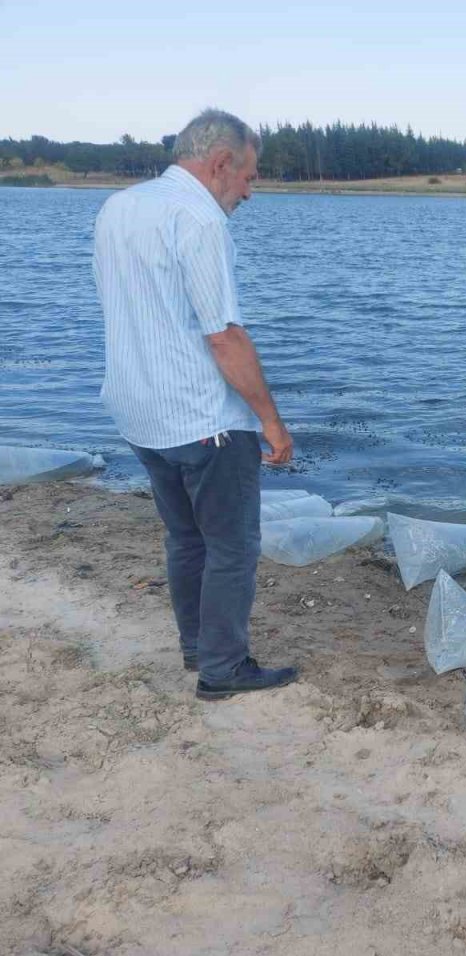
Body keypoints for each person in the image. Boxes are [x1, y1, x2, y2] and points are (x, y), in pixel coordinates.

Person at [93, 108, 297, 701]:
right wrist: (270, 422)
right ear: (221, 163)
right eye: (250, 177)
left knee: (186, 539)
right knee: (232, 548)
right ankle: (222, 669)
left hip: (138, 410)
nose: (250, 192)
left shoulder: (119, 207)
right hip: (200, 416)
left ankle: (196, 647)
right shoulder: (199, 219)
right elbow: (224, 336)